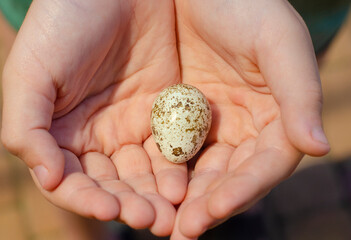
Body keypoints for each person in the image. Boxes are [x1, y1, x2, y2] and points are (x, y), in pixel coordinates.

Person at [1, 0, 332, 239]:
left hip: (297, 11)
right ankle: (88, 233)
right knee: (65, 138)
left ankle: (236, 213)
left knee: (276, 83)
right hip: (64, 24)